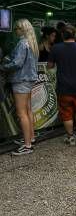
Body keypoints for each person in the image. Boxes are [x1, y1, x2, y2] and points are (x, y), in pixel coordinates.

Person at [0, 19, 39, 155]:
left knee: (21, 113)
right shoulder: (32, 43)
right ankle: (30, 138)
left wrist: (3, 66)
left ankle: (27, 145)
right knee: (28, 110)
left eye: (16, 28)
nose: (15, 31)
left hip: (21, 80)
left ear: (22, 29)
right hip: (29, 79)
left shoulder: (22, 43)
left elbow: (17, 63)